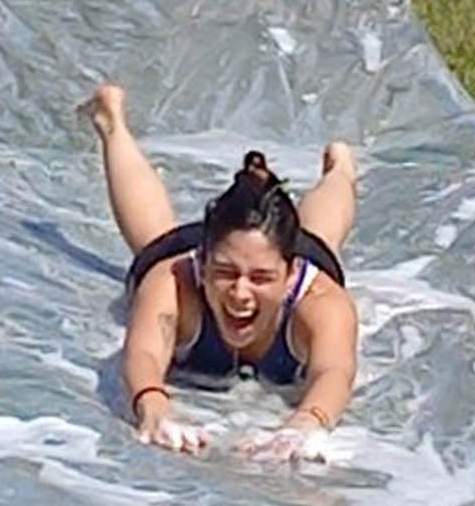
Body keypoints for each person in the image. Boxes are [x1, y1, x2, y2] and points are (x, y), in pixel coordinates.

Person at [80, 84, 358, 459]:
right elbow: (142, 353)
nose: (240, 293)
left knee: (322, 238)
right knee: (152, 242)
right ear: (204, 261)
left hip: (273, 251)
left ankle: (341, 170)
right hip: (211, 248)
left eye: (259, 280)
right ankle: (112, 122)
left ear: (292, 275)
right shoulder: (174, 282)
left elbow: (334, 372)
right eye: (226, 274)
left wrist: (306, 423)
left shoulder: (321, 302)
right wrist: (153, 408)